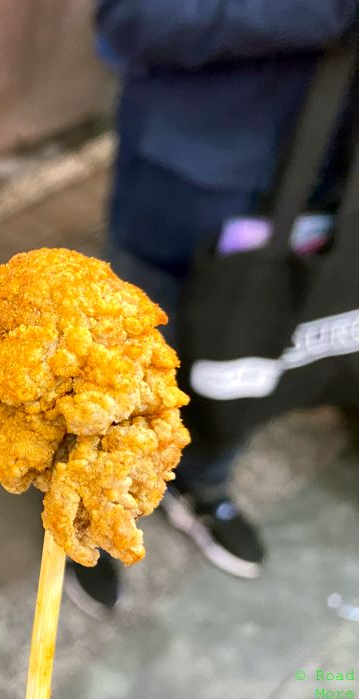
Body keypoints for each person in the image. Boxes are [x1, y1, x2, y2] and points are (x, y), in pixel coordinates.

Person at [65, 0, 359, 617]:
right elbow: (131, 19)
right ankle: (90, 516)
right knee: (124, 375)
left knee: (252, 350)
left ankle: (202, 480)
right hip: (190, 187)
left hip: (330, 184)